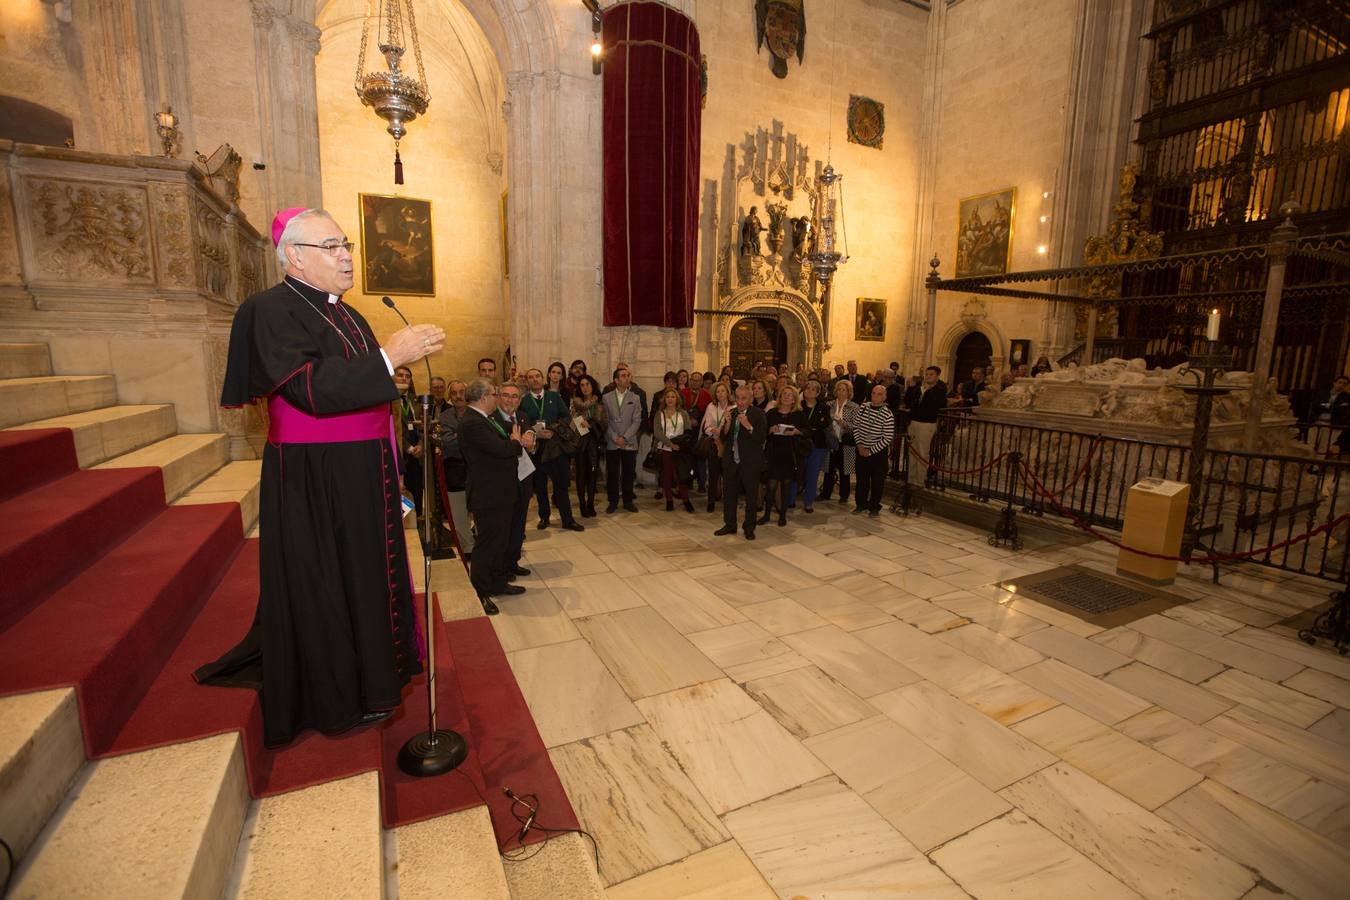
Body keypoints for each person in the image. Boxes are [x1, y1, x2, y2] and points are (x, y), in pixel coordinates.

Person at [196, 206, 444, 747]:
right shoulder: (267, 310)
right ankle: (338, 695)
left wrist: (390, 371)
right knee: (330, 582)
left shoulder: (348, 313)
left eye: (347, 244)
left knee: (367, 574)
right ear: (296, 258)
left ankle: (376, 678)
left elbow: (361, 380)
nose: (347, 256)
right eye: (332, 247)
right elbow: (309, 389)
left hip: (364, 470)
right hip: (317, 478)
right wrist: (389, 358)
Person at [457, 378, 532, 614]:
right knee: (487, 544)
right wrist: (516, 442)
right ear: (482, 397)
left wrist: (512, 443)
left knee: (499, 541)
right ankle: (480, 591)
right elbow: (501, 449)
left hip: (500, 491)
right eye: (493, 393)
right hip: (488, 494)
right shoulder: (472, 422)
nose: (496, 397)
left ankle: (498, 583)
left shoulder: (483, 419)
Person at [521, 367, 582, 532]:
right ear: (527, 382)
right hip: (537, 448)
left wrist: (553, 429)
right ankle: (544, 517)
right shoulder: (524, 401)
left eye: (537, 376)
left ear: (543, 379)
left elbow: (566, 416)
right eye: (531, 377)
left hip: (556, 447)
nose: (535, 379)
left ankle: (568, 520)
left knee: (561, 485)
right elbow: (522, 422)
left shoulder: (554, 397)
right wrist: (536, 432)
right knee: (540, 486)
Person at [713, 385, 767, 541]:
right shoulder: (732, 412)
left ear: (751, 399)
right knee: (729, 494)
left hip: (749, 462)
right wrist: (728, 424)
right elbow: (723, 437)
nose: (740, 401)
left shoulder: (758, 414)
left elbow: (761, 438)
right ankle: (730, 524)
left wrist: (748, 426)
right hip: (731, 461)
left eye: (744, 398)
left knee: (751, 496)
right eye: (738, 398)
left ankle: (749, 527)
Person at [494, 382, 534, 578]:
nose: (510, 400)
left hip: (524, 476)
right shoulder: (491, 419)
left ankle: (513, 560)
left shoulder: (523, 416)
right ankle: (501, 565)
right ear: (498, 397)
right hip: (503, 479)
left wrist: (531, 438)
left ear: (519, 400)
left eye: (514, 396)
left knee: (519, 522)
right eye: (506, 395)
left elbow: (530, 438)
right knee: (504, 524)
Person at [436, 380, 475, 558]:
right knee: (458, 512)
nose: (458, 396)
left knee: (479, 508)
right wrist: (468, 437)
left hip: (477, 468)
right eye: (454, 393)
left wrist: (459, 435)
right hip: (454, 469)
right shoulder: (444, 416)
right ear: (450, 396)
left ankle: (483, 544)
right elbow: (449, 443)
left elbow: (481, 440)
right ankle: (467, 548)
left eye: (462, 392)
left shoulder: (477, 413)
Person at [761, 385, 807, 527]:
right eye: (784, 394)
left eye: (790, 395)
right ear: (780, 397)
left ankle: (782, 516)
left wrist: (797, 432)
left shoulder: (799, 414)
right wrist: (770, 430)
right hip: (774, 453)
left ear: (794, 399)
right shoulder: (772, 413)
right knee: (771, 485)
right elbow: (762, 431)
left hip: (790, 453)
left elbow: (808, 431)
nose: (787, 397)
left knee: (786, 485)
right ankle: (767, 515)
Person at [602, 364, 642, 513]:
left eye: (628, 375)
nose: (627, 378)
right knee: (612, 472)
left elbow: (637, 421)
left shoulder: (635, 398)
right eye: (623, 376)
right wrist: (614, 437)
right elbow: (604, 421)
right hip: (612, 440)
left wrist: (624, 437)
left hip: (629, 441)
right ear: (616, 380)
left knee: (628, 471)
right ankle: (613, 501)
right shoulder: (606, 397)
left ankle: (628, 500)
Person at [853, 384, 896, 517]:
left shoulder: (887, 414)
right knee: (861, 481)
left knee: (877, 482)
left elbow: (887, 437)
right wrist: (860, 445)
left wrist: (870, 451)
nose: (876, 396)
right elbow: (856, 427)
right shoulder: (863, 408)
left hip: (877, 454)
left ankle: (874, 507)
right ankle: (860, 504)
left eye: (879, 394)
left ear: (884, 397)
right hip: (861, 450)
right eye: (874, 393)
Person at [791, 378, 831, 513]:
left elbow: (824, 424)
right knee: (796, 472)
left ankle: (808, 503)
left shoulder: (823, 407)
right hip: (799, 444)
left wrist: (807, 429)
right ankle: (791, 500)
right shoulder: (797, 405)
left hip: (817, 445)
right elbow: (796, 424)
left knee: (812, 475)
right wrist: (810, 429)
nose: (810, 391)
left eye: (813, 389)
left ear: (818, 392)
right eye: (808, 388)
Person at [654, 388, 696, 512]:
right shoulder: (659, 413)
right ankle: (669, 500)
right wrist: (670, 444)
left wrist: (680, 445)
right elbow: (657, 432)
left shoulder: (683, 413)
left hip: (680, 449)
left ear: (677, 399)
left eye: (673, 396)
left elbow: (688, 431)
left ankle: (686, 500)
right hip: (666, 448)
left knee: (682, 476)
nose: (670, 399)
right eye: (668, 397)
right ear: (664, 400)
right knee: (667, 476)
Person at [392, 365, 426, 517]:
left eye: (407, 376)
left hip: (417, 457)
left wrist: (421, 444)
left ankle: (417, 522)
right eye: (400, 375)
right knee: (400, 494)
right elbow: (393, 429)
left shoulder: (414, 400)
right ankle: (403, 529)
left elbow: (422, 425)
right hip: (400, 454)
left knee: (417, 492)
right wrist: (410, 448)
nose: (404, 378)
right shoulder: (390, 402)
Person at [570, 374, 607, 516]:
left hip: (594, 444)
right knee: (580, 476)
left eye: (588, 384)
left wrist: (591, 424)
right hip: (579, 444)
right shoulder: (575, 404)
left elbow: (605, 425)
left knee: (592, 475)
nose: (585, 388)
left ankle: (591, 503)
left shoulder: (600, 404)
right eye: (582, 385)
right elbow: (572, 425)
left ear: (593, 386)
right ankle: (582, 504)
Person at [909, 365, 949, 485]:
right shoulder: (919, 388)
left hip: (927, 424)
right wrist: (914, 389)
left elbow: (933, 407)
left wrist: (925, 392)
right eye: (927, 374)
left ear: (937, 376)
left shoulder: (940, 390)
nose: (928, 376)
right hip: (914, 422)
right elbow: (909, 402)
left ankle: (920, 480)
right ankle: (911, 478)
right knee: (912, 451)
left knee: (922, 452)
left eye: (931, 374)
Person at [820, 379, 859, 503]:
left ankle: (844, 495)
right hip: (831, 441)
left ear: (849, 392)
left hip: (845, 442)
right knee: (829, 469)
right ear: (835, 391)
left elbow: (856, 425)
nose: (841, 392)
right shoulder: (829, 404)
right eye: (839, 390)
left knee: (844, 470)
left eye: (844, 390)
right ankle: (826, 493)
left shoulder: (854, 407)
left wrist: (844, 423)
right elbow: (824, 421)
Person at [700, 381, 733, 513]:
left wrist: (723, 432)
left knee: (728, 474)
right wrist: (713, 430)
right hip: (714, 443)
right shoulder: (711, 407)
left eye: (722, 391)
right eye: (718, 391)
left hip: (729, 445)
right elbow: (706, 426)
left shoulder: (734, 407)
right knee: (713, 474)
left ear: (727, 393)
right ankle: (711, 501)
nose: (720, 394)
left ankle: (728, 502)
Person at [1314, 374, 1350, 455]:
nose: (1341, 385)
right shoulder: (1323, 393)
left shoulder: (1347, 397)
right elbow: (1316, 406)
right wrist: (1332, 407)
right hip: (1317, 422)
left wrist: (1326, 406)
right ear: (1334, 383)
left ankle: (1316, 467)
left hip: (1332, 424)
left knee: (1323, 447)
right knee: (1311, 445)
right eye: (1340, 382)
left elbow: (1342, 411)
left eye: (1345, 384)